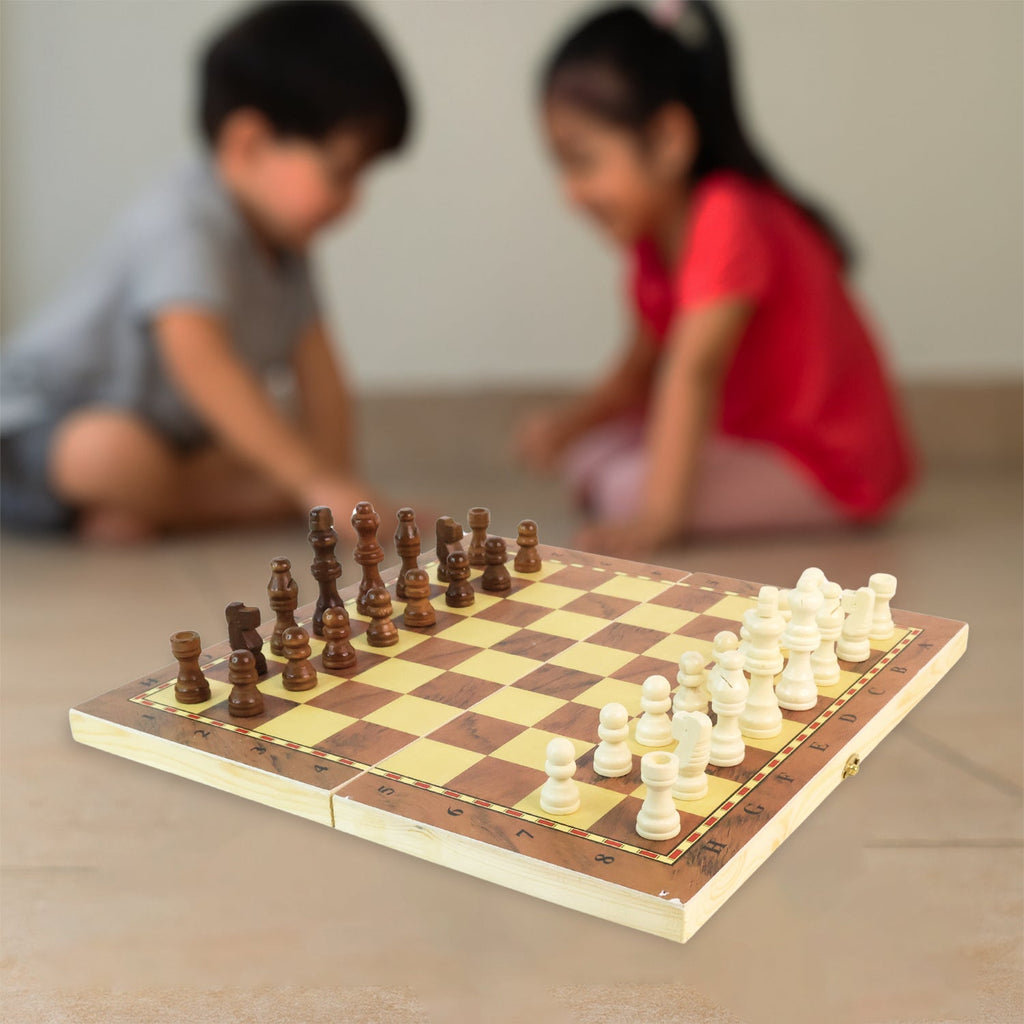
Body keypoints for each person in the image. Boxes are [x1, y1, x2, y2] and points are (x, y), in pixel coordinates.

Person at [516, 1, 915, 557]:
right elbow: (640, 370)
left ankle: (655, 496)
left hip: (828, 464)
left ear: (668, 139)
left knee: (622, 488)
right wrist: (573, 423)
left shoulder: (729, 215)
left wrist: (658, 518)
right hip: (745, 435)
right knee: (590, 459)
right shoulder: (654, 242)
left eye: (582, 161)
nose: (570, 193)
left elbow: (693, 370)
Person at [1, 1, 410, 542]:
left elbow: (321, 375)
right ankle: (195, 502)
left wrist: (340, 481)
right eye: (340, 173)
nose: (353, 200)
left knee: (256, 442)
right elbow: (201, 363)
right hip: (36, 428)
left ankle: (154, 505)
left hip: (167, 438)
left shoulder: (287, 246)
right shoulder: (184, 220)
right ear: (249, 143)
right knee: (114, 452)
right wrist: (312, 482)